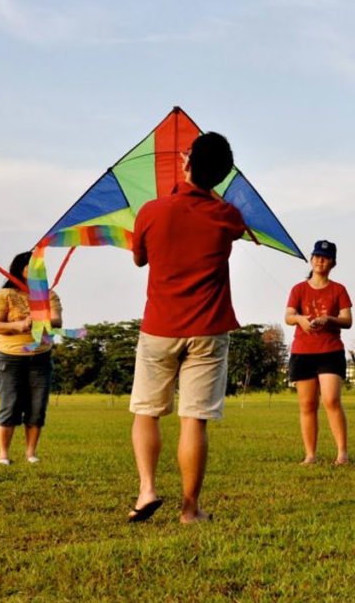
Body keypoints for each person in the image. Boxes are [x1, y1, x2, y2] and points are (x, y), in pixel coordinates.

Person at [127, 131, 246, 523]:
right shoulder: (228, 216)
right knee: (193, 419)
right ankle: (190, 509)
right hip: (208, 330)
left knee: (146, 411)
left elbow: (139, 260)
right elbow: (226, 215)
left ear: (187, 161)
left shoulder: (150, 211)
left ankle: (146, 490)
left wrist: (183, 178)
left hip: (160, 326)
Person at [0, 251, 62, 465]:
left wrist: (40, 317)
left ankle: (31, 454)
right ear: (20, 269)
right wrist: (18, 325)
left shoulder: (49, 295)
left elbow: (56, 320)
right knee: (9, 406)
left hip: (40, 357)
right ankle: (3, 456)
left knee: (37, 407)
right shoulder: (4, 295)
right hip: (9, 358)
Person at [285, 240, 353, 465]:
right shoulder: (298, 289)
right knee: (307, 405)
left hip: (330, 351)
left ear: (332, 262)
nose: (319, 260)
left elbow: (347, 320)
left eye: (324, 257)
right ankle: (310, 455)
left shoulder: (339, 290)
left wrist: (329, 319)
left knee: (331, 400)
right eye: (316, 256)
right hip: (303, 352)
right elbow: (288, 316)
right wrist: (300, 320)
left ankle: (342, 452)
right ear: (311, 259)